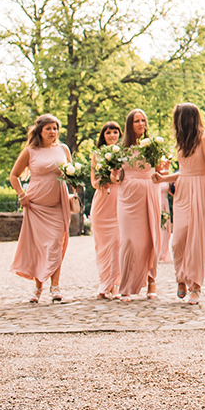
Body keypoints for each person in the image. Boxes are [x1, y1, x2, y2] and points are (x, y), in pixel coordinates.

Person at [9, 114, 74, 303]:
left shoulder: (63, 149)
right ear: (40, 131)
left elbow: (70, 172)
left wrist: (75, 181)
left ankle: (55, 286)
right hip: (36, 206)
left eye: (55, 128)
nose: (53, 132)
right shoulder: (30, 151)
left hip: (58, 204)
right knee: (40, 247)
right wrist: (22, 195)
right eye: (49, 128)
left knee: (55, 243)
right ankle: (38, 288)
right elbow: (14, 175)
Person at [157, 103, 205, 304]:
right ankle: (181, 279)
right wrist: (162, 179)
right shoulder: (181, 142)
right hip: (182, 192)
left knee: (197, 241)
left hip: (200, 190)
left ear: (186, 119)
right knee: (178, 240)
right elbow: (183, 172)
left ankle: (196, 286)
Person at [115, 108, 163, 300]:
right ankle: (126, 284)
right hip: (127, 196)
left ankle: (151, 280)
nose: (141, 124)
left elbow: (160, 170)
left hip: (149, 191)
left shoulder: (152, 146)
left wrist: (164, 169)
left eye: (143, 120)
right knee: (129, 240)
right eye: (137, 121)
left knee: (151, 237)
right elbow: (117, 175)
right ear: (130, 125)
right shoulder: (121, 149)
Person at [89, 120, 123, 300]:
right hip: (102, 201)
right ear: (103, 136)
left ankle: (116, 285)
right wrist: (102, 182)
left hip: (119, 201)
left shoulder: (124, 154)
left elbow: (125, 179)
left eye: (115, 132)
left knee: (117, 243)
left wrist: (114, 175)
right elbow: (93, 180)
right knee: (102, 246)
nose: (112, 136)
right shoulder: (96, 154)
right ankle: (104, 284)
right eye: (108, 133)